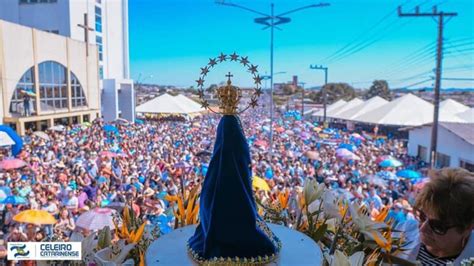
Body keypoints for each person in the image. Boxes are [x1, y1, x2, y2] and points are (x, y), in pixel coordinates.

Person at [403, 168, 474, 265]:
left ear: (467, 228)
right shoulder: (403, 230)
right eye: (422, 216)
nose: (422, 228)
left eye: (438, 226)